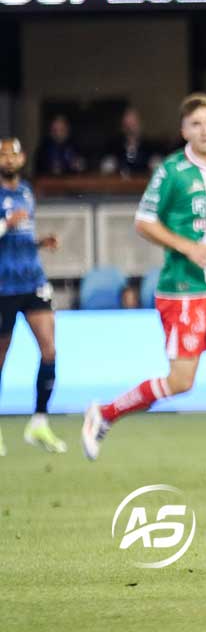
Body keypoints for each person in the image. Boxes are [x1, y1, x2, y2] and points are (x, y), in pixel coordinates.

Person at [81, 93, 206, 476]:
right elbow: (143, 222)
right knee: (181, 382)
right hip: (182, 291)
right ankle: (103, 413)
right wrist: (188, 247)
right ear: (184, 131)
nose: (205, 129)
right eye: (196, 124)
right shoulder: (173, 171)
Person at [0, 138, 66, 456]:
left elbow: (21, 236)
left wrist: (41, 242)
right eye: (3, 155)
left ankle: (39, 422)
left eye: (13, 154)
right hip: (3, 286)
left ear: (22, 158)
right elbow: (8, 229)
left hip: (33, 280)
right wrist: (5, 223)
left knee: (49, 349)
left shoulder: (26, 190)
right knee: (1, 358)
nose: (9, 159)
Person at [102, 107, 155, 177]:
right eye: (127, 125)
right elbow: (107, 168)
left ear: (140, 124)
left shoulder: (149, 147)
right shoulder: (114, 146)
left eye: (133, 124)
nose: (130, 128)